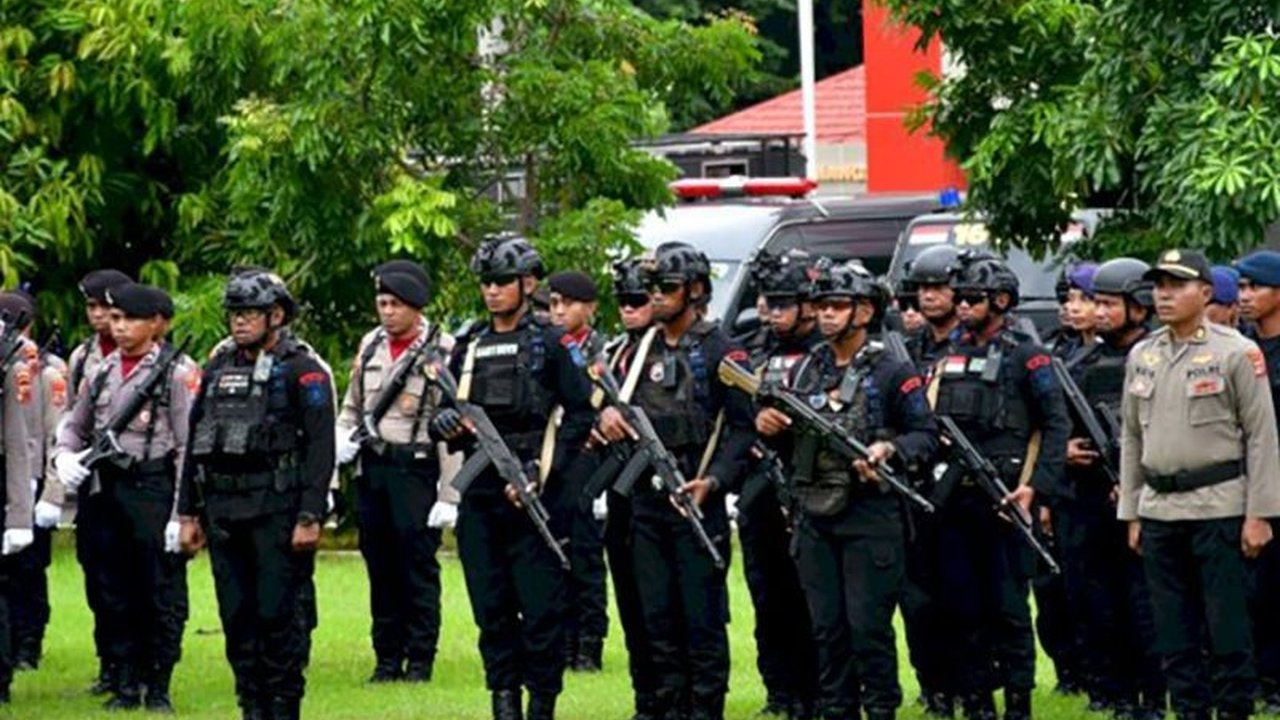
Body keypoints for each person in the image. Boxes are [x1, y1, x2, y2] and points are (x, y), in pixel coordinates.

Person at [755, 259, 938, 720]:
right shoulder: (808, 369)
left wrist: (887, 449)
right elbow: (785, 435)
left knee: (867, 628)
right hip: (814, 514)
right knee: (827, 629)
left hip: (870, 515)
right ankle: (837, 709)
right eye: (821, 306)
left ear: (863, 311)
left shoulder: (892, 369)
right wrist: (769, 425)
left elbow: (926, 435)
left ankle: (880, 708)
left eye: (838, 305)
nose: (826, 315)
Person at [432, 236, 594, 720]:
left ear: (526, 284)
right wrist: (442, 422)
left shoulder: (551, 341)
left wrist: (543, 472)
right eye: (485, 282)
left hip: (538, 491)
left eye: (501, 281)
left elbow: (581, 415)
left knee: (542, 610)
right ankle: (503, 700)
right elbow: (446, 410)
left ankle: (541, 703)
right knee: (491, 607)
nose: (492, 291)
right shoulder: (470, 344)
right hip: (482, 494)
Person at [1120, 249, 1280, 720]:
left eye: (1177, 285)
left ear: (1206, 293)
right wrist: (1131, 512)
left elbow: (1262, 435)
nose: (1164, 295)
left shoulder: (1236, 352)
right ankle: (1190, 712)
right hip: (1160, 511)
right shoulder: (1142, 354)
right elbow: (1131, 437)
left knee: (1226, 629)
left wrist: (1259, 513)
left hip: (1220, 509)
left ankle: (1232, 711)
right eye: (1159, 286)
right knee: (1173, 632)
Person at [596, 242, 753, 720]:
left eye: (667, 288)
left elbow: (745, 427)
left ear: (696, 290)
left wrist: (715, 480)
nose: (657, 298)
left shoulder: (722, 350)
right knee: (655, 616)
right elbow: (608, 405)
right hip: (646, 500)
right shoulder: (637, 348)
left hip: (696, 499)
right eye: (652, 289)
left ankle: (705, 708)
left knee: (700, 619)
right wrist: (606, 418)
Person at [178, 269, 335, 720]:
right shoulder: (218, 367)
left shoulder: (304, 370)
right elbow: (196, 442)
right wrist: (188, 512)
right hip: (225, 513)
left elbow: (320, 448)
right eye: (234, 314)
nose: (239, 322)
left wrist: (310, 515)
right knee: (237, 619)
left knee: (279, 616)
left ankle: (284, 708)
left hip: (278, 512)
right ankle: (251, 706)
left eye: (249, 313)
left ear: (276, 314)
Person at [931, 252, 1070, 720]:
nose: (962, 305)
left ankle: (1018, 702)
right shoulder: (948, 355)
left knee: (1009, 610)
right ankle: (976, 702)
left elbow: (1054, 425)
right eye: (960, 297)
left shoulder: (1026, 356)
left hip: (1008, 498)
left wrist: (1037, 489)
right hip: (955, 497)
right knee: (961, 606)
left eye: (973, 298)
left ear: (1002, 301)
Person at [53, 283, 196, 712]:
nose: (119, 327)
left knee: (158, 589)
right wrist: (63, 457)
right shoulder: (100, 370)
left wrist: (181, 512)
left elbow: (188, 447)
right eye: (114, 318)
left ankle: (159, 683)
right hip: (105, 491)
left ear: (155, 323)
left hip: (152, 487)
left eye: (129, 318)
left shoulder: (176, 370)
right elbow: (74, 425)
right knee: (112, 589)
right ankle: (125, 679)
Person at [1056, 258, 1165, 719]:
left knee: (1144, 602)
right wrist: (1065, 450)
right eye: (1094, 302)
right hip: (1088, 498)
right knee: (1094, 598)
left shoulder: (1161, 355)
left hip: (1145, 498)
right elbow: (1055, 420)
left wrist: (1137, 481)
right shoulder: (1080, 361)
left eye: (1107, 303)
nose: (1098, 311)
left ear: (1138, 307)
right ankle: (1112, 690)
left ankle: (1151, 695)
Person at [334, 260, 446, 684]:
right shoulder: (371, 345)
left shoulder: (440, 349)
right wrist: (342, 438)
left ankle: (419, 659)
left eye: (396, 304)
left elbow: (449, 422)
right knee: (379, 564)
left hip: (415, 467)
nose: (387, 311)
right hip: (373, 467)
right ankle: (386, 657)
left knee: (415, 566)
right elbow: (352, 405)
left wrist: (448, 494)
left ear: (416, 306)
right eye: (382, 303)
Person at [737, 249, 821, 720]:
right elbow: (729, 411)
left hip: (811, 486)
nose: (772, 312)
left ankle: (818, 692)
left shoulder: (825, 355)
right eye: (768, 301)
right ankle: (780, 691)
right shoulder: (752, 348)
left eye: (783, 302)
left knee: (812, 597)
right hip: (760, 487)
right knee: (766, 594)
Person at [594, 258, 662, 719]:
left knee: (665, 604)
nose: (629, 309)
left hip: (660, 484)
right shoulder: (615, 352)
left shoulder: (668, 351)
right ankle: (646, 694)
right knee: (631, 598)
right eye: (622, 301)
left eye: (638, 300)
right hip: (621, 486)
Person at [898, 244, 964, 717]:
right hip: (913, 483)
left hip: (964, 486)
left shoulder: (976, 345)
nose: (930, 296)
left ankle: (969, 682)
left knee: (963, 594)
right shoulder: (906, 350)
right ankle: (932, 684)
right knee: (916, 599)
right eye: (922, 287)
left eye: (939, 286)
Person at [66, 268, 133, 695]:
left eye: (105, 307)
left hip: (136, 476)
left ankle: (136, 666)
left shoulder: (159, 360)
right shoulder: (82, 358)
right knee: (97, 576)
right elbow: (74, 419)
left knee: (133, 577)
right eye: (91, 306)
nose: (98, 316)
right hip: (92, 479)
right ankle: (109, 662)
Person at [545, 270, 609, 673]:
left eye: (568, 303)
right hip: (553, 455)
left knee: (584, 549)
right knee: (555, 548)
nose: (559, 310)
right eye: (553, 303)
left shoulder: (601, 351)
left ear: (590, 308)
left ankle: (589, 641)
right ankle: (562, 636)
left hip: (591, 455)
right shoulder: (548, 346)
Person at [0, 292, 62, 673]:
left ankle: (25, 645)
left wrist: (49, 491)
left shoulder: (40, 370)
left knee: (25, 573)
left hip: (25, 478)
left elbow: (47, 434)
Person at [1237, 250, 1280, 713]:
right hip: (1246, 485)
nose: (1245, 297)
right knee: (1253, 593)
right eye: (1242, 288)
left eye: (1256, 288)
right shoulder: (1238, 350)